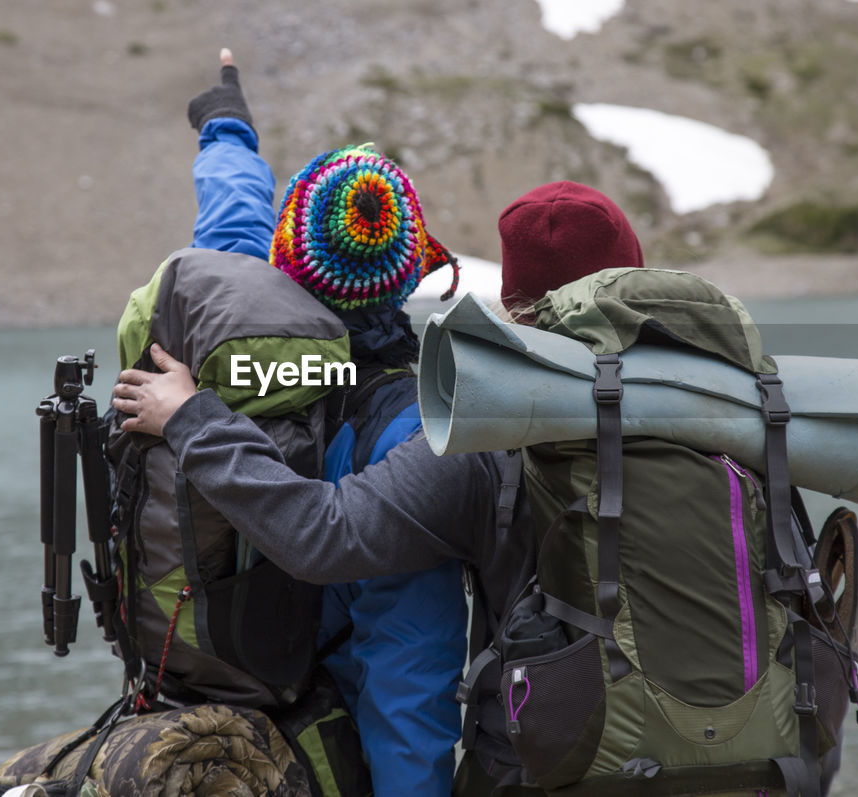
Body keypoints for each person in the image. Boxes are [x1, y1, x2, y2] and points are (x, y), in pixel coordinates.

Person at [113, 178, 648, 795]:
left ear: (281, 265)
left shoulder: (245, 376)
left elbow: (355, 577)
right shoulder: (728, 409)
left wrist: (190, 419)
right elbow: (408, 672)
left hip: (288, 733)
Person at [181, 49, 469, 797]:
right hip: (326, 735)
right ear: (409, 272)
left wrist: (225, 130)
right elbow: (410, 664)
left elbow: (231, 224)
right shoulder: (409, 428)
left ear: (286, 258)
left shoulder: (236, 340)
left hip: (222, 713)